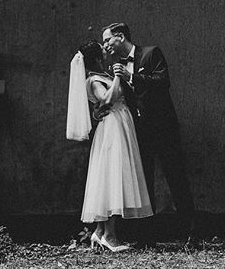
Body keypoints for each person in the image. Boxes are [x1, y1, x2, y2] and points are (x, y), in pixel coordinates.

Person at [100, 22, 196, 242]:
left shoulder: (151, 54)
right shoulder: (118, 66)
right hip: (139, 131)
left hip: (164, 128)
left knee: (176, 177)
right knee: (143, 181)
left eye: (107, 39)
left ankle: (190, 232)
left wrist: (131, 77)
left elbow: (163, 82)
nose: (105, 45)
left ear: (121, 36)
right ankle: (146, 235)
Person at [66, 40, 153, 252]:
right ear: (97, 58)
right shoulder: (94, 79)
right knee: (113, 176)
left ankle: (100, 231)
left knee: (109, 176)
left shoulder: (102, 75)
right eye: (103, 50)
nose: (107, 51)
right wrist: (117, 76)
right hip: (113, 128)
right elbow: (105, 99)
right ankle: (110, 235)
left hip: (120, 124)